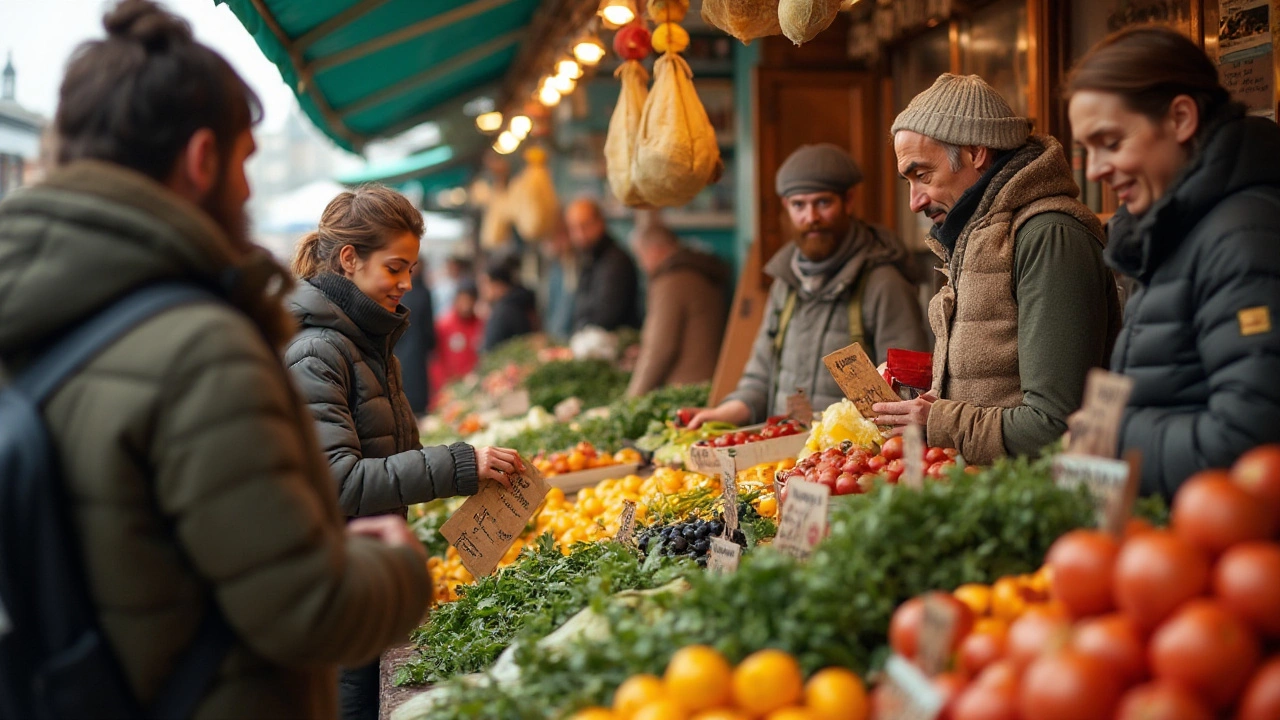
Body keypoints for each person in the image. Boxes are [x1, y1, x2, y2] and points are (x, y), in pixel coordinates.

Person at [0, 2, 432, 717]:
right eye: (243, 163)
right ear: (203, 159)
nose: (246, 191)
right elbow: (310, 609)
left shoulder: (24, 317)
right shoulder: (202, 350)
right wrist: (398, 567)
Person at [284, 185, 523, 720]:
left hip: (366, 571)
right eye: (396, 267)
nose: (407, 283)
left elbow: (396, 455)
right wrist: (461, 464)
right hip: (336, 583)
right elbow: (340, 482)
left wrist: (473, 467)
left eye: (411, 268)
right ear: (350, 259)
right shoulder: (318, 349)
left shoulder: (366, 340)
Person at [1066, 27, 1280, 498]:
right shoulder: (1172, 231)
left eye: (1111, 141)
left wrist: (1113, 439)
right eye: (1088, 150)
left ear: (1181, 118)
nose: (1097, 169)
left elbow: (1250, 445)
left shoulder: (1244, 238)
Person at [876, 74, 1123, 465]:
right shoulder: (974, 235)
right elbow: (995, 385)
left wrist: (937, 419)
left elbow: (1054, 425)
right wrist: (928, 394)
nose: (914, 201)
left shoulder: (1049, 236)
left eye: (923, 176)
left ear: (976, 152)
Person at [688, 144, 929, 427]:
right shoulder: (785, 283)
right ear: (786, 207)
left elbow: (905, 395)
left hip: (847, 463)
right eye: (798, 205)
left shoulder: (884, 283)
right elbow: (760, 376)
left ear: (848, 201)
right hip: (784, 457)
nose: (810, 217)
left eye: (823, 203)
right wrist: (720, 414)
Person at [626, 224, 730, 396]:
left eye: (641, 256)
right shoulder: (696, 270)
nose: (642, 265)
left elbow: (660, 349)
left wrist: (630, 400)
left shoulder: (671, 282)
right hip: (707, 382)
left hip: (685, 390)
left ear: (655, 250)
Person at [565, 197, 641, 332]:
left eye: (585, 225)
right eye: (574, 228)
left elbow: (606, 317)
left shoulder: (616, 261)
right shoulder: (589, 257)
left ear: (600, 222)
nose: (580, 234)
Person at [392, 264, 436, 416]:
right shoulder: (422, 292)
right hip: (415, 349)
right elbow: (428, 327)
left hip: (403, 347)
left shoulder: (398, 291)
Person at [431, 281, 483, 390]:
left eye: (470, 301)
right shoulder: (443, 325)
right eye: (463, 300)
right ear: (456, 300)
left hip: (473, 385)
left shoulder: (480, 324)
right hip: (449, 385)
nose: (466, 306)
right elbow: (436, 358)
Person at [481, 256, 536, 352]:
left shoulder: (504, 311)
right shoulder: (519, 302)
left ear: (498, 285)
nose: (482, 289)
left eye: (485, 284)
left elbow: (491, 349)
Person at [540, 217, 578, 340]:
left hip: (570, 337)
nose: (547, 244)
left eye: (551, 238)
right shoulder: (555, 267)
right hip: (555, 337)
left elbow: (569, 307)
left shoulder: (575, 264)